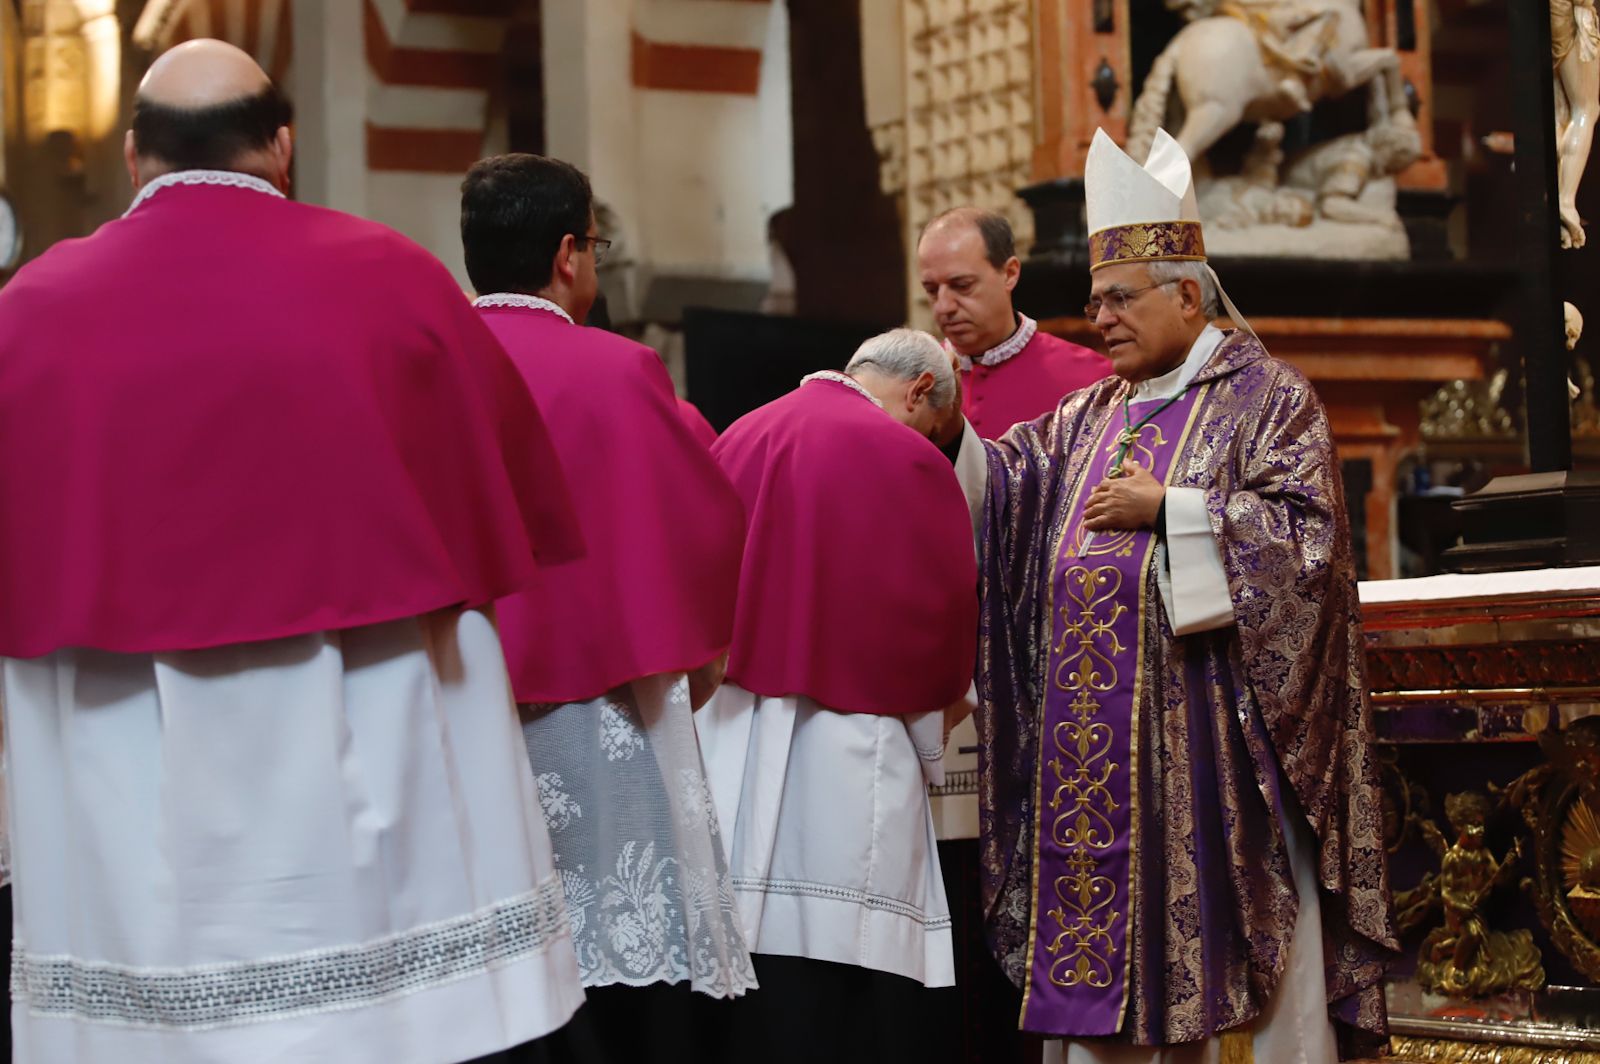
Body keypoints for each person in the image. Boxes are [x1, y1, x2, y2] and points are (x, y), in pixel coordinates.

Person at [0, 40, 588, 1063]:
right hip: (368, 721)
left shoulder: (29, 313)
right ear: (283, 145)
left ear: (134, 156)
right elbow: (498, 502)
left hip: (122, 756)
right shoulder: (394, 280)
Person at [955, 129, 1397, 1063]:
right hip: (1091, 767)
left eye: (1119, 298)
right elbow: (999, 489)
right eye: (1094, 302)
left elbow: (1311, 549)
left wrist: (1173, 511)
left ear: (1187, 296)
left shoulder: (1268, 399)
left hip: (1213, 762)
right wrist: (932, 425)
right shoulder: (1085, 416)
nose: (1100, 320)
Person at [459, 153, 756, 1061]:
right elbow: (703, 525)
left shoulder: (426, 364)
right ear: (566, 254)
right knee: (620, 975)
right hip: (598, 725)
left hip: (454, 713)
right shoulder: (619, 370)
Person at [695, 329, 977, 1064]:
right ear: (920, 390)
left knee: (745, 946)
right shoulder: (907, 458)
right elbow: (941, 610)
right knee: (844, 981)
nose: (929, 441)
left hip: (731, 724)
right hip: (852, 743)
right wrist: (935, 726)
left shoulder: (742, 432)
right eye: (935, 426)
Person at [917, 207, 1109, 439]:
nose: (943, 306)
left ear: (1009, 273)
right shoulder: (912, 384)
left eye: (962, 285)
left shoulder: (1092, 382)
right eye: (932, 290)